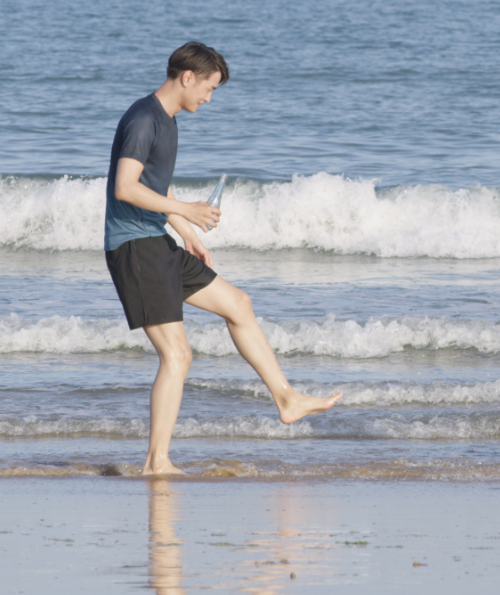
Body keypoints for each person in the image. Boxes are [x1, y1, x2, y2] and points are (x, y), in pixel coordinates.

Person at [104, 42, 341, 475]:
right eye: (209, 88)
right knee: (177, 356)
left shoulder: (167, 121)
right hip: (135, 248)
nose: (209, 98)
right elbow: (125, 187)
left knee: (239, 304)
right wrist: (186, 210)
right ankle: (156, 462)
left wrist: (187, 233)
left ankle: (287, 399)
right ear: (187, 77)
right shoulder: (143, 119)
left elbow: (158, 184)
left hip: (158, 242)